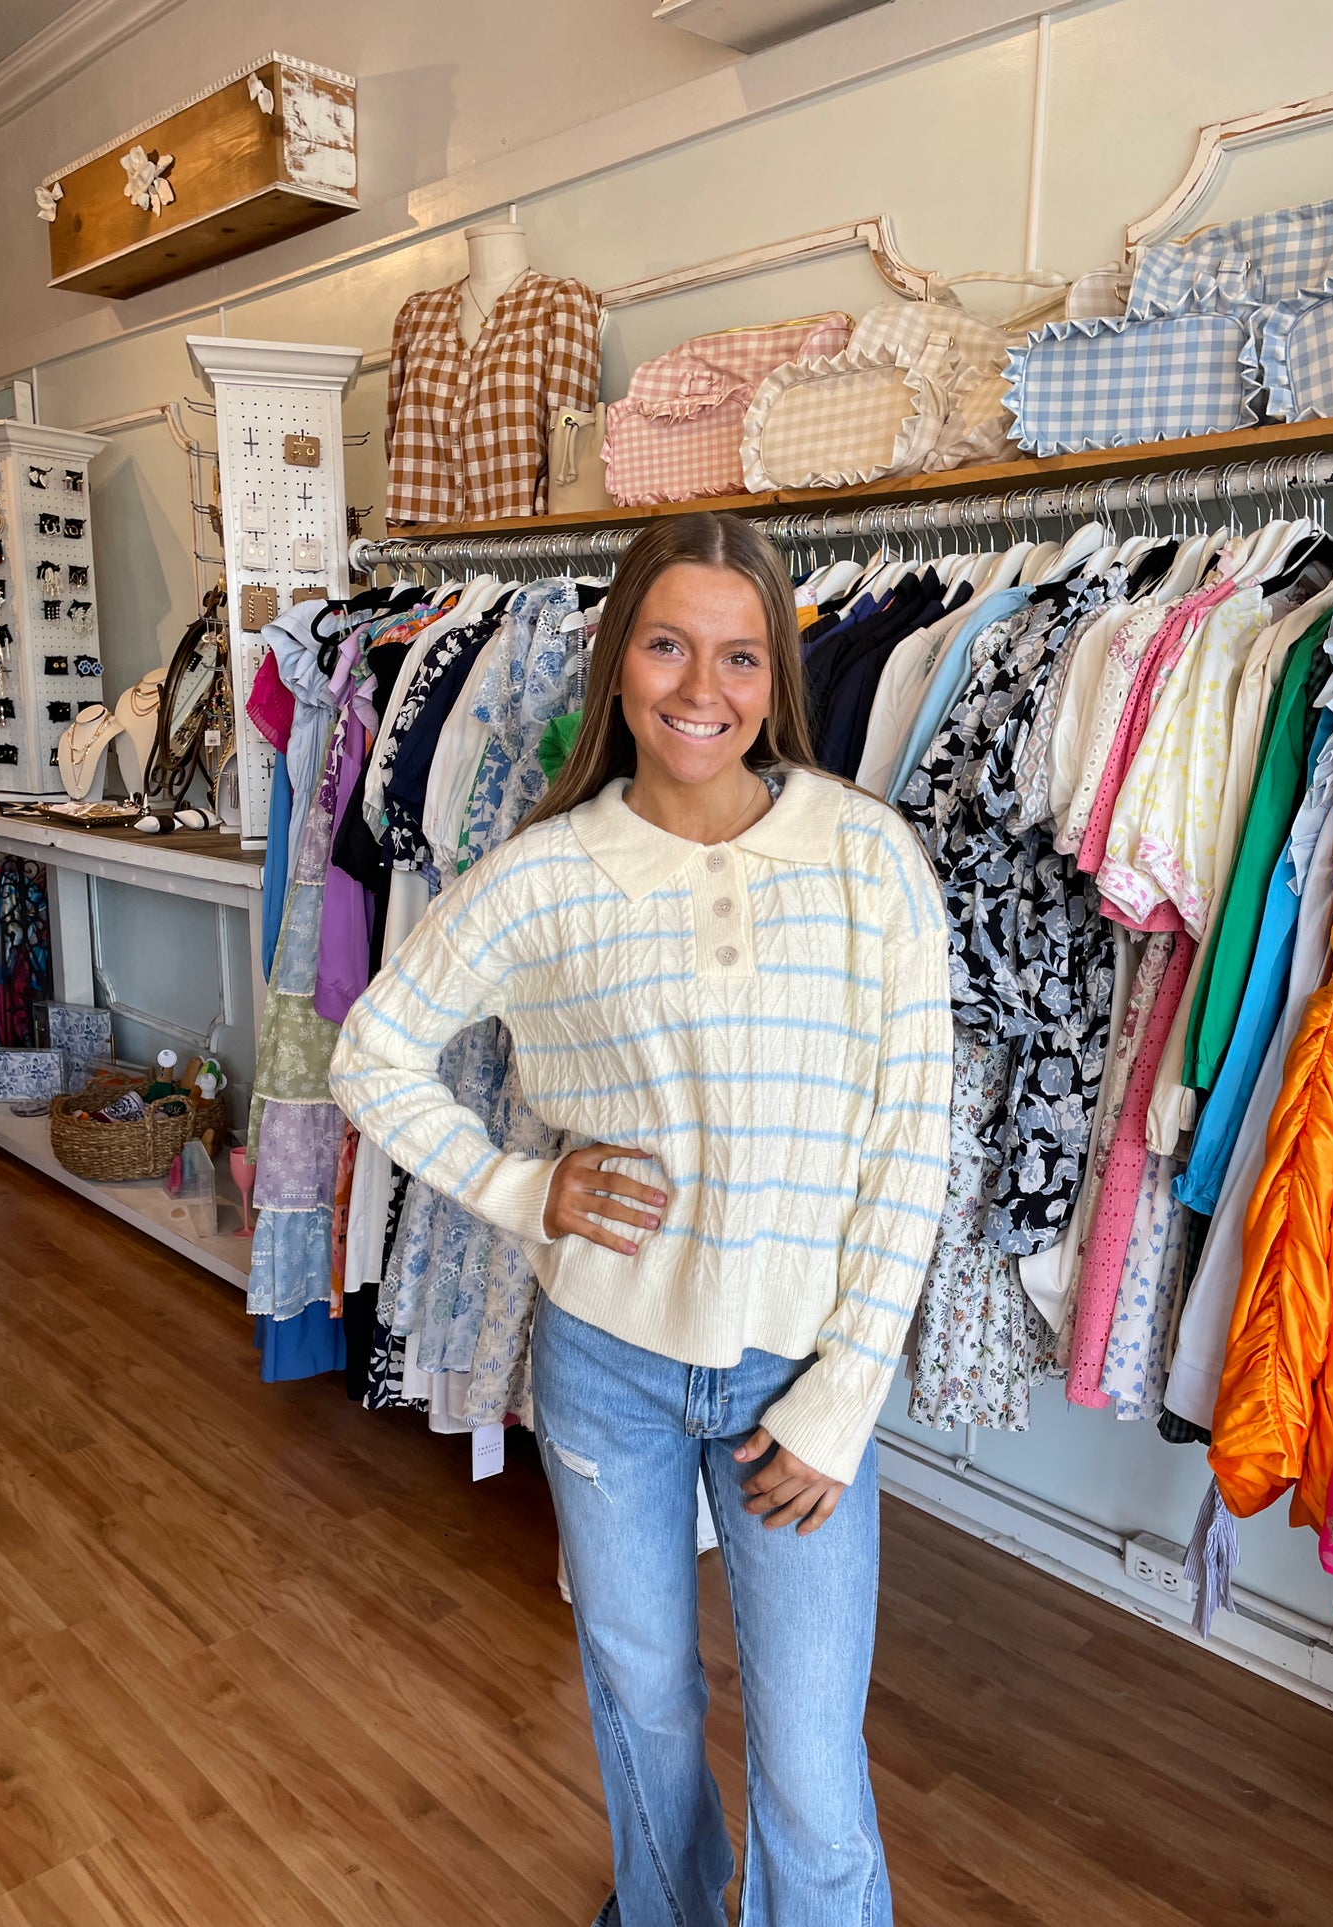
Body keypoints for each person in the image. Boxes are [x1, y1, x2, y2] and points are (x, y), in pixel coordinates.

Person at [330, 511, 952, 1926]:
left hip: (795, 1378)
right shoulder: (544, 874)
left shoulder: (866, 858)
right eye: (668, 645)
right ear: (618, 660)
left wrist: (847, 1389)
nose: (701, 689)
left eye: (740, 656)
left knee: (810, 1754)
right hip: (604, 1364)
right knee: (643, 1701)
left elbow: (912, 1136)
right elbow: (372, 1052)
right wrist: (519, 1186)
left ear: (775, 677)